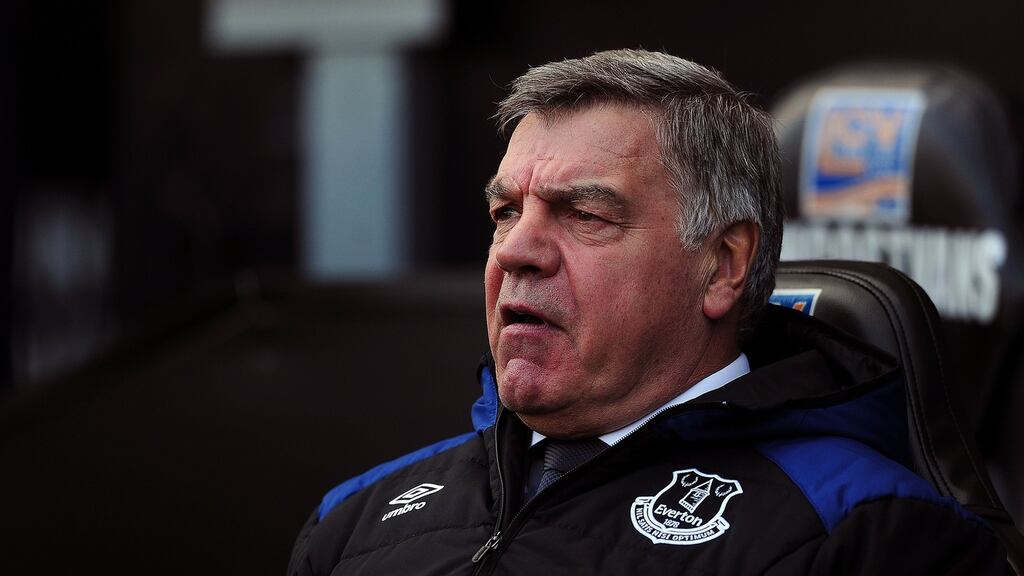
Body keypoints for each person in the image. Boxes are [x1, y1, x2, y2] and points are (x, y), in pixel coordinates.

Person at [288, 49, 1010, 575]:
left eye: (584, 214)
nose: (518, 252)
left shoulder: (870, 534)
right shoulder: (354, 519)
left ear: (723, 264)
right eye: (505, 212)